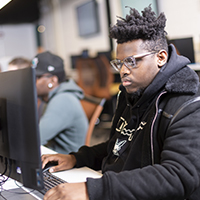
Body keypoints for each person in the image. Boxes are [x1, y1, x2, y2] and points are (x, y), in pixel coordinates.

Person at [41, 5, 200, 200]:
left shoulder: (188, 103)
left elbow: (177, 176)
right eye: (120, 63)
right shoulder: (130, 92)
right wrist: (78, 158)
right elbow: (120, 145)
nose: (123, 70)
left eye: (132, 61)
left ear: (160, 57)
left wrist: (93, 190)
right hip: (120, 189)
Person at [32, 51, 88, 154]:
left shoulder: (63, 100)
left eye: (37, 77)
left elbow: (35, 139)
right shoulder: (50, 98)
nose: (32, 81)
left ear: (53, 81)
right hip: (53, 155)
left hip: (66, 164)